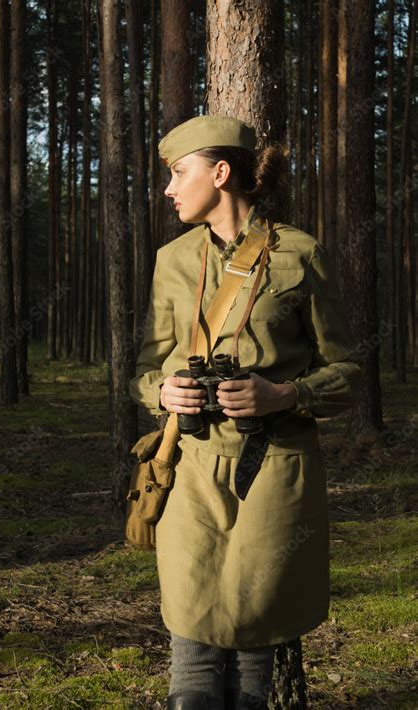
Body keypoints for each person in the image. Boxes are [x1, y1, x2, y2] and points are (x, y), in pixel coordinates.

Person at [128, 115, 361, 710]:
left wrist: (285, 395)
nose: (170, 188)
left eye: (180, 173)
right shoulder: (172, 260)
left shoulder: (301, 254)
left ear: (221, 172)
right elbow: (147, 367)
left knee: (254, 640)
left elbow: (348, 374)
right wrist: (163, 393)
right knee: (191, 637)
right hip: (190, 469)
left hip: (274, 469)